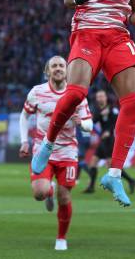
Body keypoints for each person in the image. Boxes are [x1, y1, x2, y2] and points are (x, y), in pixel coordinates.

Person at [31, 0, 135, 207]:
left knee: (133, 102)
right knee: (75, 94)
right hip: (87, 32)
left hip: (117, 36)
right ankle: (47, 144)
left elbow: (133, 14)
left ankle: (114, 173)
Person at [19, 56, 93, 251]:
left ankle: (61, 238)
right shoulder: (37, 92)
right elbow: (24, 115)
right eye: (55, 66)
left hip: (68, 152)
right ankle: (48, 190)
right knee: (39, 193)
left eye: (62, 65)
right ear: (48, 71)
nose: (59, 68)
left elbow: (88, 126)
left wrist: (82, 123)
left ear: (67, 71)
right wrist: (24, 141)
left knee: (65, 197)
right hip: (43, 150)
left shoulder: (77, 94)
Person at [83, 89, 135, 194]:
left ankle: (131, 180)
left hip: (110, 140)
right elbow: (94, 121)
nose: (100, 98)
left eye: (102, 96)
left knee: (111, 166)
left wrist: (108, 131)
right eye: (98, 96)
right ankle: (91, 186)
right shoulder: (98, 110)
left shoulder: (113, 110)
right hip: (103, 140)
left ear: (106, 97)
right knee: (93, 162)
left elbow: (117, 122)